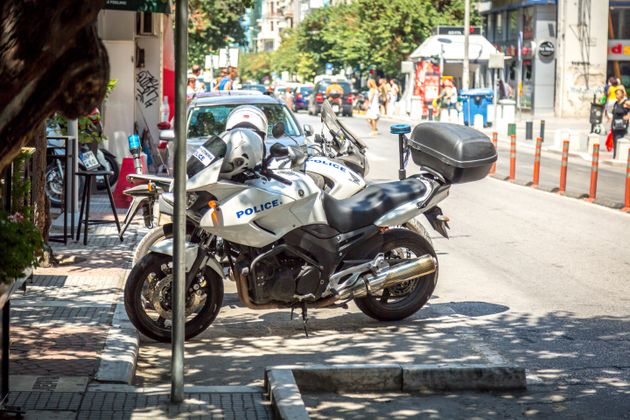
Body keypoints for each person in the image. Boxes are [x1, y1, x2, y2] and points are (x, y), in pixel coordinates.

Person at [610, 86, 629, 159]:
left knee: (618, 140)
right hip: (615, 126)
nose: (616, 95)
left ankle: (618, 157)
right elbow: (614, 114)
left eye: (618, 94)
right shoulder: (615, 103)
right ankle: (615, 156)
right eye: (616, 94)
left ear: (622, 95)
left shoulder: (626, 102)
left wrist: (628, 116)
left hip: (621, 127)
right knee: (615, 142)